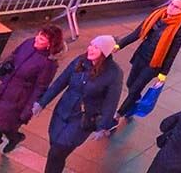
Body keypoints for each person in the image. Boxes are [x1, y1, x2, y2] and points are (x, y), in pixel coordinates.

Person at [35, 35, 122, 173]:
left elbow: (111, 102)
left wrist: (102, 126)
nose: (91, 49)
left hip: (82, 120)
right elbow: (61, 82)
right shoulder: (80, 61)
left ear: (105, 53)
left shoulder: (114, 73)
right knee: (55, 150)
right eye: (91, 45)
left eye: (96, 48)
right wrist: (42, 102)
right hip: (62, 112)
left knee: (57, 152)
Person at [115, 0, 181, 120]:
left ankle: (119, 114)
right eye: (171, 4)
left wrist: (163, 73)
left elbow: (172, 53)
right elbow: (137, 33)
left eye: (176, 7)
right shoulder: (157, 15)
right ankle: (133, 101)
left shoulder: (180, 30)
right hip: (141, 55)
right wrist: (120, 44)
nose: (171, 8)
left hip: (154, 65)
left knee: (135, 89)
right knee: (130, 84)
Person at [0, 24, 64, 152]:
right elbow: (14, 55)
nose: (37, 39)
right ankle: (14, 137)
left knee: (2, 123)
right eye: (39, 34)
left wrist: (28, 111)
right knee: (4, 126)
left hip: (17, 101)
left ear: (50, 44)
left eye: (42, 38)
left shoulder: (48, 64)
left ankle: (14, 136)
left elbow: (40, 88)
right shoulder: (29, 43)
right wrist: (5, 67)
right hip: (4, 89)